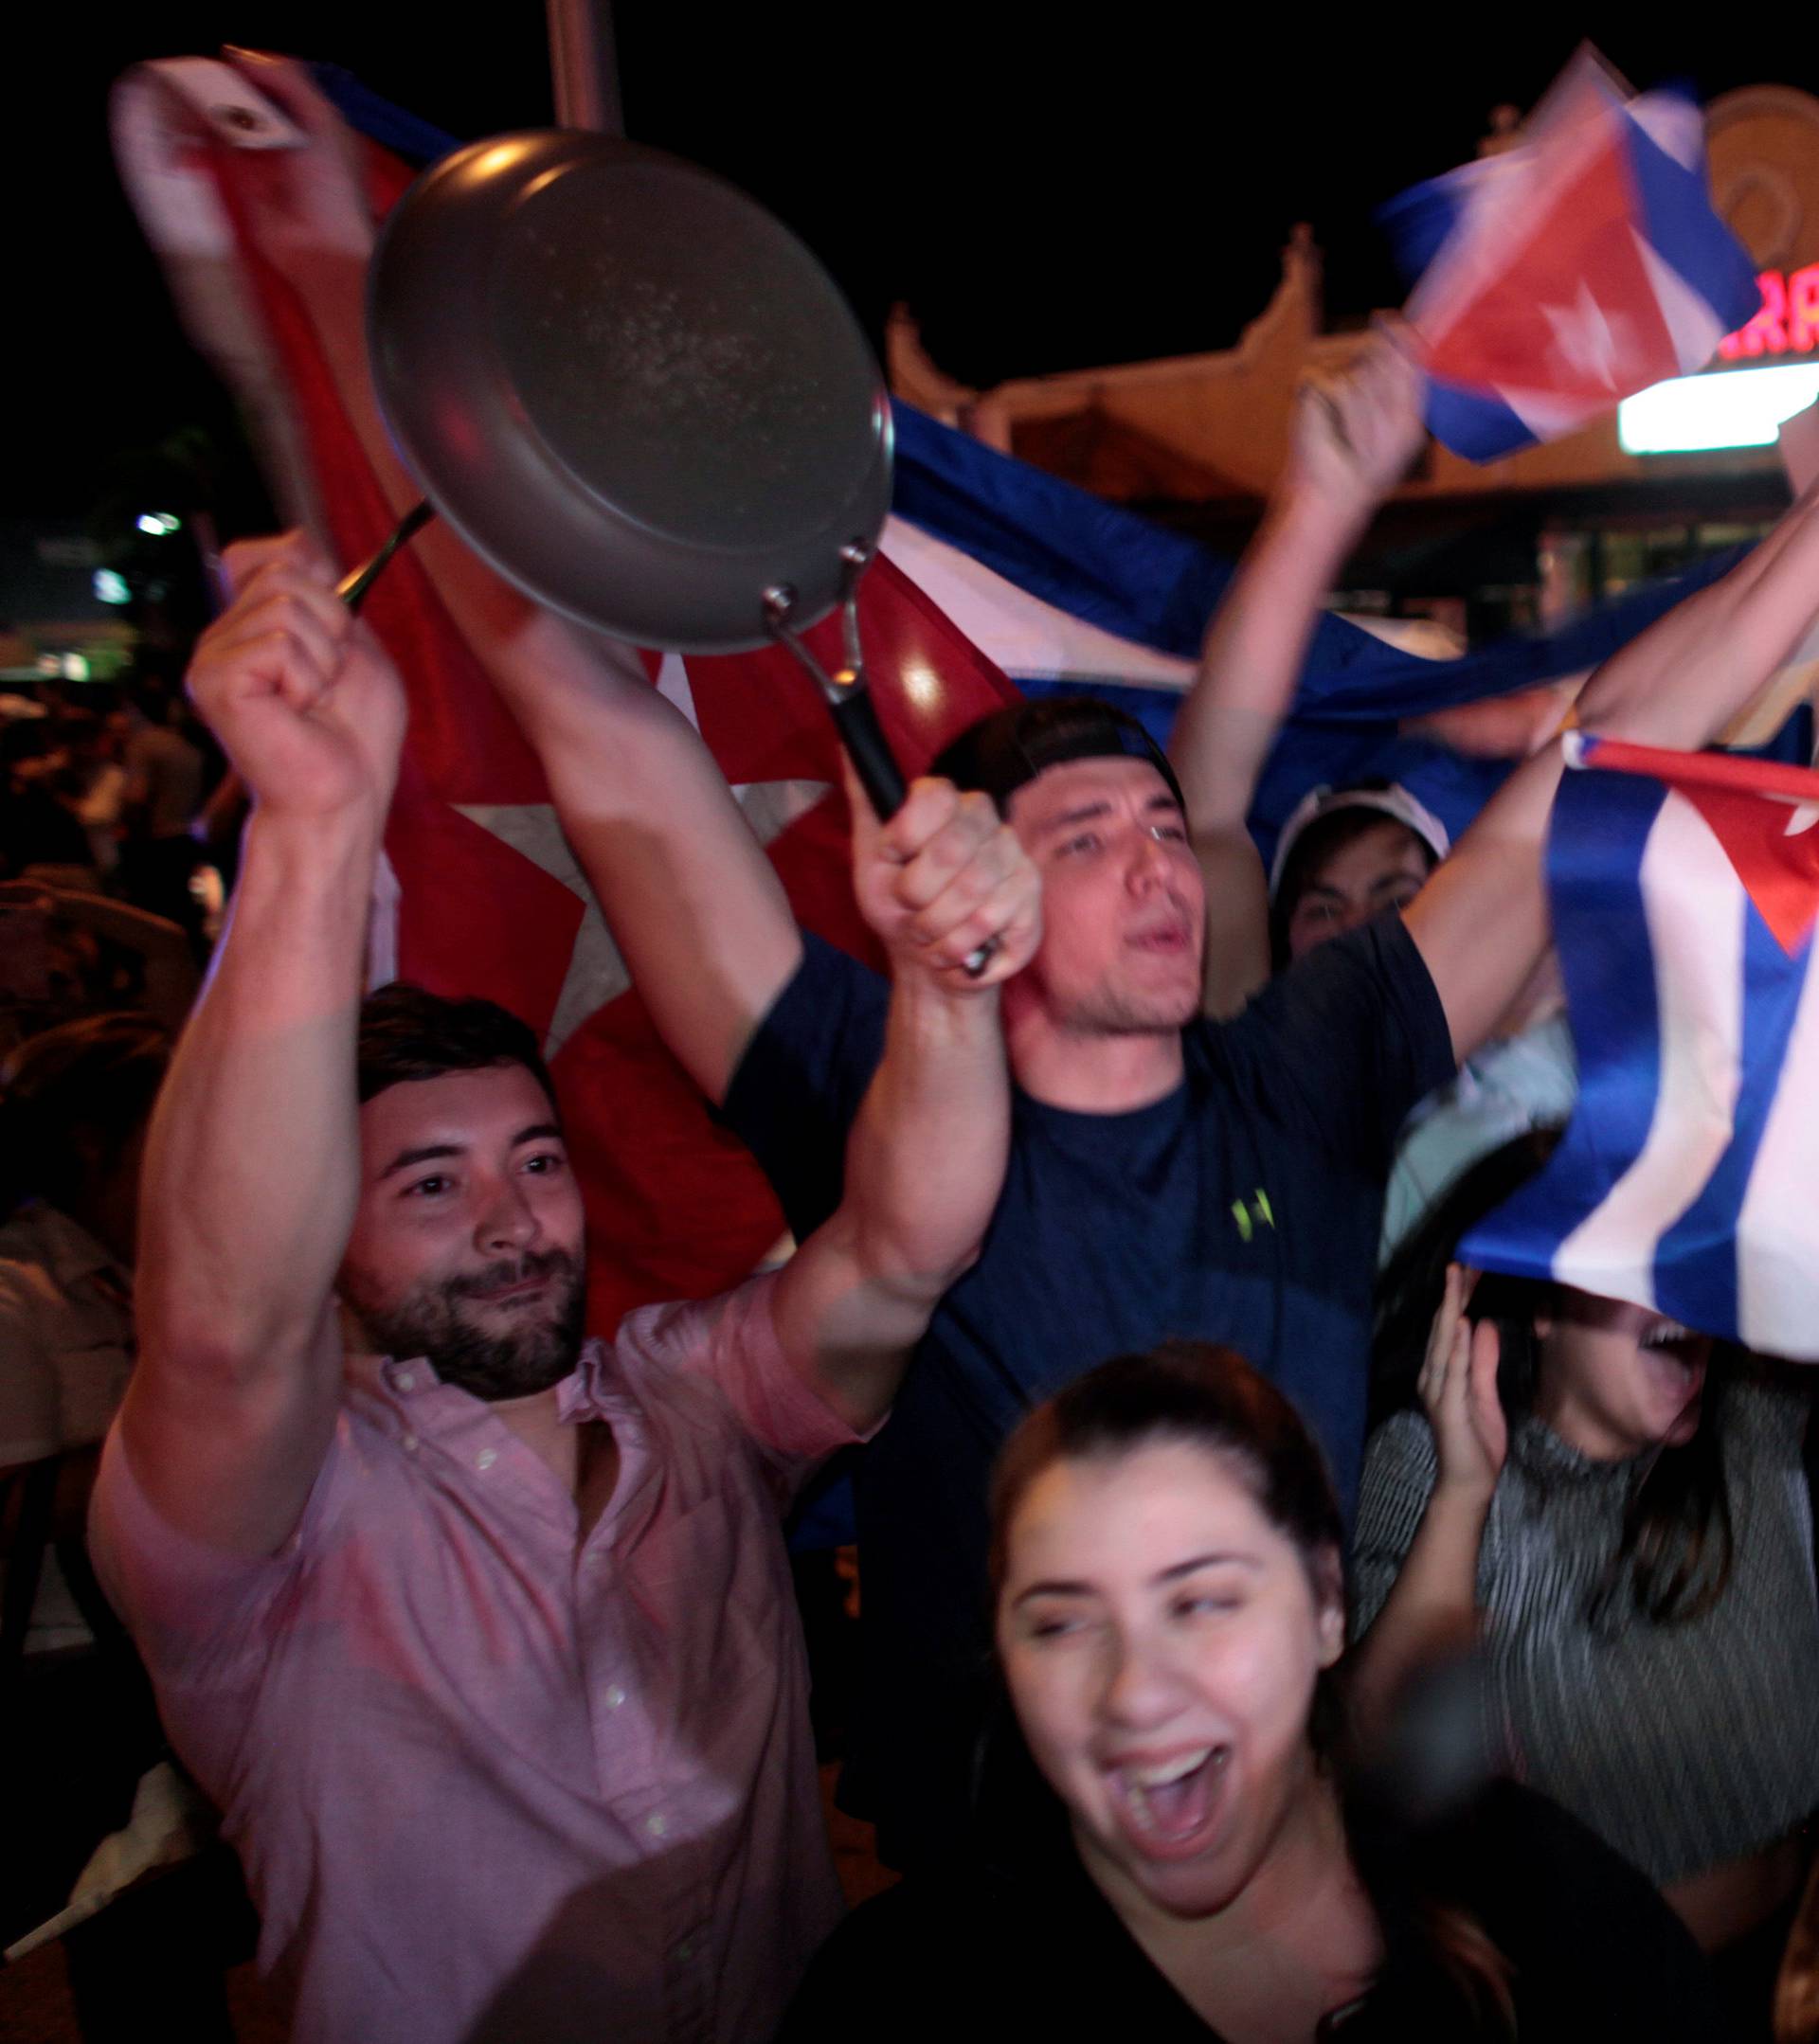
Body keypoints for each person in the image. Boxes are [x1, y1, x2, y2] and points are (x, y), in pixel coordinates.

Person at [452, 434, 1819, 1864]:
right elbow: (609, 740)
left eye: (1165, 824)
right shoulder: (878, 1075)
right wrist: (443, 400)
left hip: (1278, 1852)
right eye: (1090, 837)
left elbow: (1593, 756)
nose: (1160, 861)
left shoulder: (1308, 1069)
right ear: (986, 875)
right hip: (996, 1900)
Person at [86, 532, 1038, 2044]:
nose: (510, 1218)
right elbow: (221, 1329)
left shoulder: (695, 1397)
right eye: (428, 1183)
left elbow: (905, 1248)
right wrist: (317, 825)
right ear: (328, 1229)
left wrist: (945, 983)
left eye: (535, 1159)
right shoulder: (276, 1522)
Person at [781, 1342, 1725, 2041]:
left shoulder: (1530, 1897)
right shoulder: (896, 1999)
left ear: (1324, 1604)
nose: (1137, 1693)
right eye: (1063, 1621)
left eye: (1202, 1601)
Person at [1350, 1155, 1819, 2035]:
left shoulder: (1754, 1415)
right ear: (1546, 1305)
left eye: (1697, 1263)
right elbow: (1376, 1777)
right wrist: (1462, 1491)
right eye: (1648, 1261)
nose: (1688, 1292)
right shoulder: (1440, 1464)